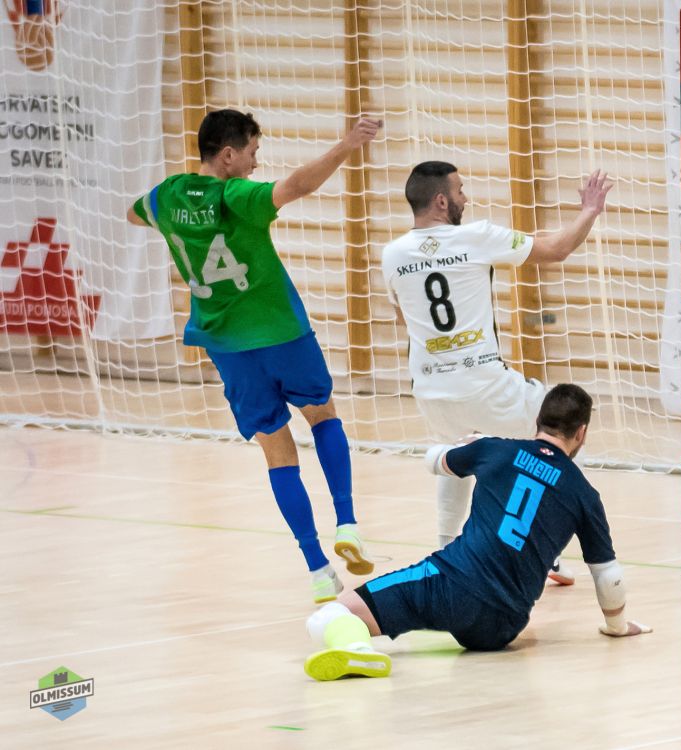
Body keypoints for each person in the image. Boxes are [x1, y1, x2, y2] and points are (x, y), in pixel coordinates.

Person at [127, 109, 384, 603]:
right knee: (322, 415)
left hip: (227, 348)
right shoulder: (237, 196)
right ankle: (347, 522)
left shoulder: (166, 196)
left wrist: (180, 216)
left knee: (276, 450)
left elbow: (133, 214)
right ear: (228, 155)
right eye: (251, 153)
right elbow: (297, 187)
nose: (255, 163)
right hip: (281, 332)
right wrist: (346, 145)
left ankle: (317, 569)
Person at [301, 384, 650, 681]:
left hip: (451, 585)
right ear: (581, 433)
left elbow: (434, 460)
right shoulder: (585, 495)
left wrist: (469, 444)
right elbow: (609, 577)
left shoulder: (495, 450)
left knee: (330, 615)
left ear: (537, 421)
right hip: (503, 625)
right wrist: (617, 627)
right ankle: (361, 648)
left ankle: (357, 649)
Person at [378, 161, 612, 569]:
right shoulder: (477, 236)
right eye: (460, 190)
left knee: (457, 456)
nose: (465, 198)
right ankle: (545, 548)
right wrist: (589, 210)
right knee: (565, 430)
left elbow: (407, 322)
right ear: (441, 201)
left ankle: (445, 550)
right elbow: (557, 249)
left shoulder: (391, 255)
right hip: (486, 387)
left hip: (431, 392)